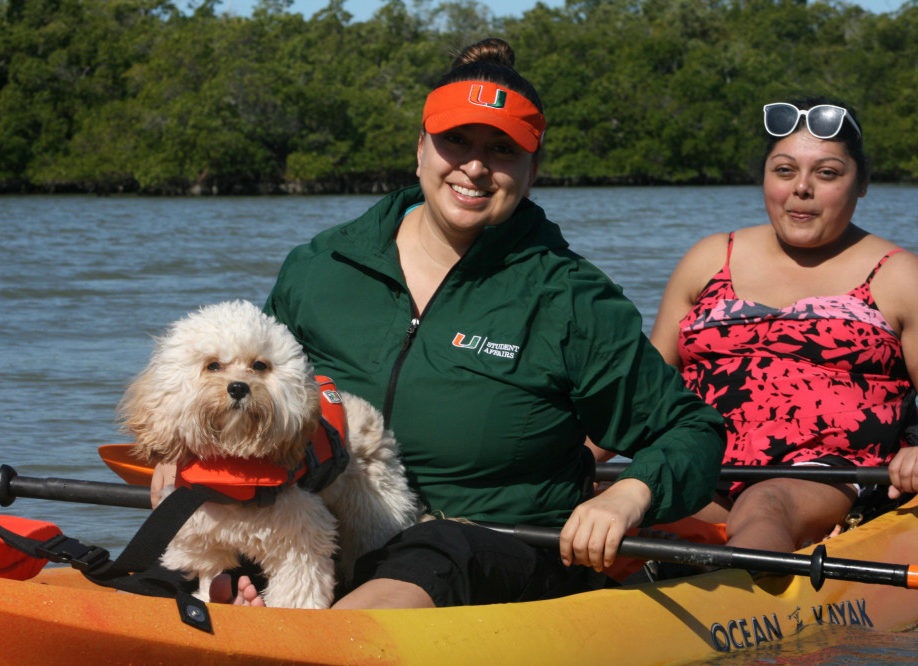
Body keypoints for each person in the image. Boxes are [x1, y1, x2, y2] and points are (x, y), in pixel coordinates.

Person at [157, 38, 726, 608]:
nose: (475, 167)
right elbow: (246, 398)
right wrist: (176, 461)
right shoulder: (319, 268)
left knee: (434, 547)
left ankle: (315, 636)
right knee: (172, 567)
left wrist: (626, 495)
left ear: (532, 171)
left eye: (501, 149)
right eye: (457, 140)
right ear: (421, 149)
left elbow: (692, 432)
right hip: (322, 531)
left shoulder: (572, 299)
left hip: (499, 550)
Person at [649, 97, 918, 554]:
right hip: (700, 464)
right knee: (595, 498)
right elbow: (640, 391)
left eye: (827, 173)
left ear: (864, 181)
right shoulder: (708, 257)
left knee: (765, 502)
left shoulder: (900, 276)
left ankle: (736, 602)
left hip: (827, 479)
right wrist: (568, 460)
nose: (802, 189)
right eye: (785, 170)